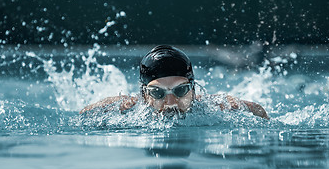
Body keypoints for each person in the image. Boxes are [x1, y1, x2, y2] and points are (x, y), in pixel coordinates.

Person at [80, 45, 269, 119]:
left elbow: (258, 110)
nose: (171, 104)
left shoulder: (211, 106)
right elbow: (84, 113)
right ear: (145, 95)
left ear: (193, 90)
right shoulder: (132, 106)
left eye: (180, 91)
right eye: (157, 93)